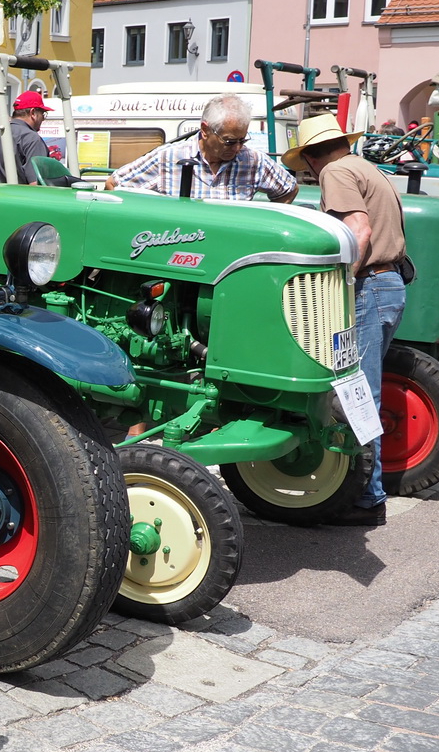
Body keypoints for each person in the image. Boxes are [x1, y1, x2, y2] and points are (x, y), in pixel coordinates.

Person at [288, 112, 409, 527]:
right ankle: (366, 490)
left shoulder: (335, 173)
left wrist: (340, 283)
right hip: (389, 284)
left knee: (358, 395)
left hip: (369, 287)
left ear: (309, 158)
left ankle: (367, 498)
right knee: (362, 391)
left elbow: (359, 229)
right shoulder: (365, 166)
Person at [107, 94, 297, 202]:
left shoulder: (254, 161)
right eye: (230, 141)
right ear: (205, 130)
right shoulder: (167, 157)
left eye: (243, 140)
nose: (238, 148)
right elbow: (114, 185)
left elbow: (289, 189)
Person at [0, 90, 53, 184]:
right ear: (33, 113)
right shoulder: (32, 139)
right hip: (20, 197)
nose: (43, 119)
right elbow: (36, 184)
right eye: (43, 114)